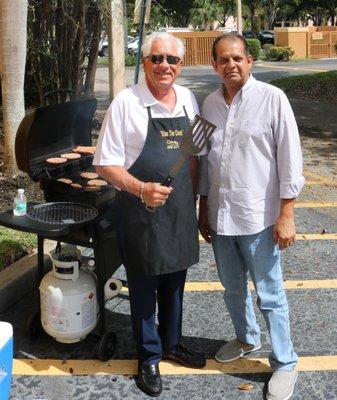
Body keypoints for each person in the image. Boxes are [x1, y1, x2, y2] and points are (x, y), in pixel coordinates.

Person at [93, 31, 205, 397]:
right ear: (144, 63)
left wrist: (194, 203)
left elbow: (192, 153)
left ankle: (173, 343)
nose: (164, 66)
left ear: (181, 66)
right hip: (139, 211)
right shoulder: (125, 103)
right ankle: (149, 357)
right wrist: (141, 189)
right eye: (156, 58)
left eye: (172, 60)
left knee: (175, 282)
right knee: (143, 288)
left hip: (179, 211)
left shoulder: (188, 98)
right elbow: (105, 164)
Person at [198, 33, 305, 400]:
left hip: (258, 218)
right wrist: (202, 208)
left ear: (250, 61)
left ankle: (286, 362)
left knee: (270, 294)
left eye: (238, 58)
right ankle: (246, 338)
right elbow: (199, 158)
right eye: (223, 60)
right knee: (231, 288)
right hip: (220, 216)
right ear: (214, 65)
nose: (231, 65)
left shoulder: (273, 99)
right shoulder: (208, 103)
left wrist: (286, 213)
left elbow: (291, 159)